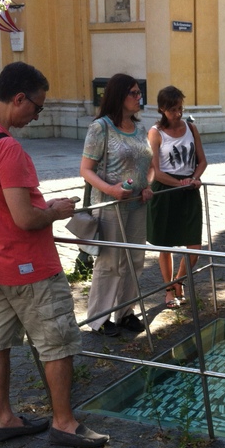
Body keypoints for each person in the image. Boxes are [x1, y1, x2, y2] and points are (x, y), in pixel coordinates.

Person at [0, 62, 109, 448]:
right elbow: (25, 218)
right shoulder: (8, 148)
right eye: (37, 107)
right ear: (19, 98)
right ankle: (64, 423)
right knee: (57, 342)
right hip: (29, 266)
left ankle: (3, 417)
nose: (37, 114)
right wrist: (57, 211)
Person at [80, 73, 153, 337]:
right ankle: (99, 318)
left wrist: (147, 186)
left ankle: (125, 312)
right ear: (119, 96)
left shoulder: (141, 128)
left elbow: (149, 165)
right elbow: (86, 169)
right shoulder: (101, 128)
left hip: (137, 205)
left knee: (134, 260)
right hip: (110, 207)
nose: (139, 97)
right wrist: (111, 189)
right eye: (133, 93)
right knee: (110, 263)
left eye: (139, 92)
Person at [147, 86, 207, 308]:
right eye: (173, 109)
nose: (178, 113)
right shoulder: (155, 133)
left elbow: (202, 161)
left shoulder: (191, 128)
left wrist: (194, 178)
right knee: (165, 244)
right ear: (162, 109)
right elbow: (156, 171)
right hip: (165, 191)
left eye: (180, 108)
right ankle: (169, 289)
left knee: (195, 247)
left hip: (189, 191)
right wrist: (180, 183)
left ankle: (179, 282)